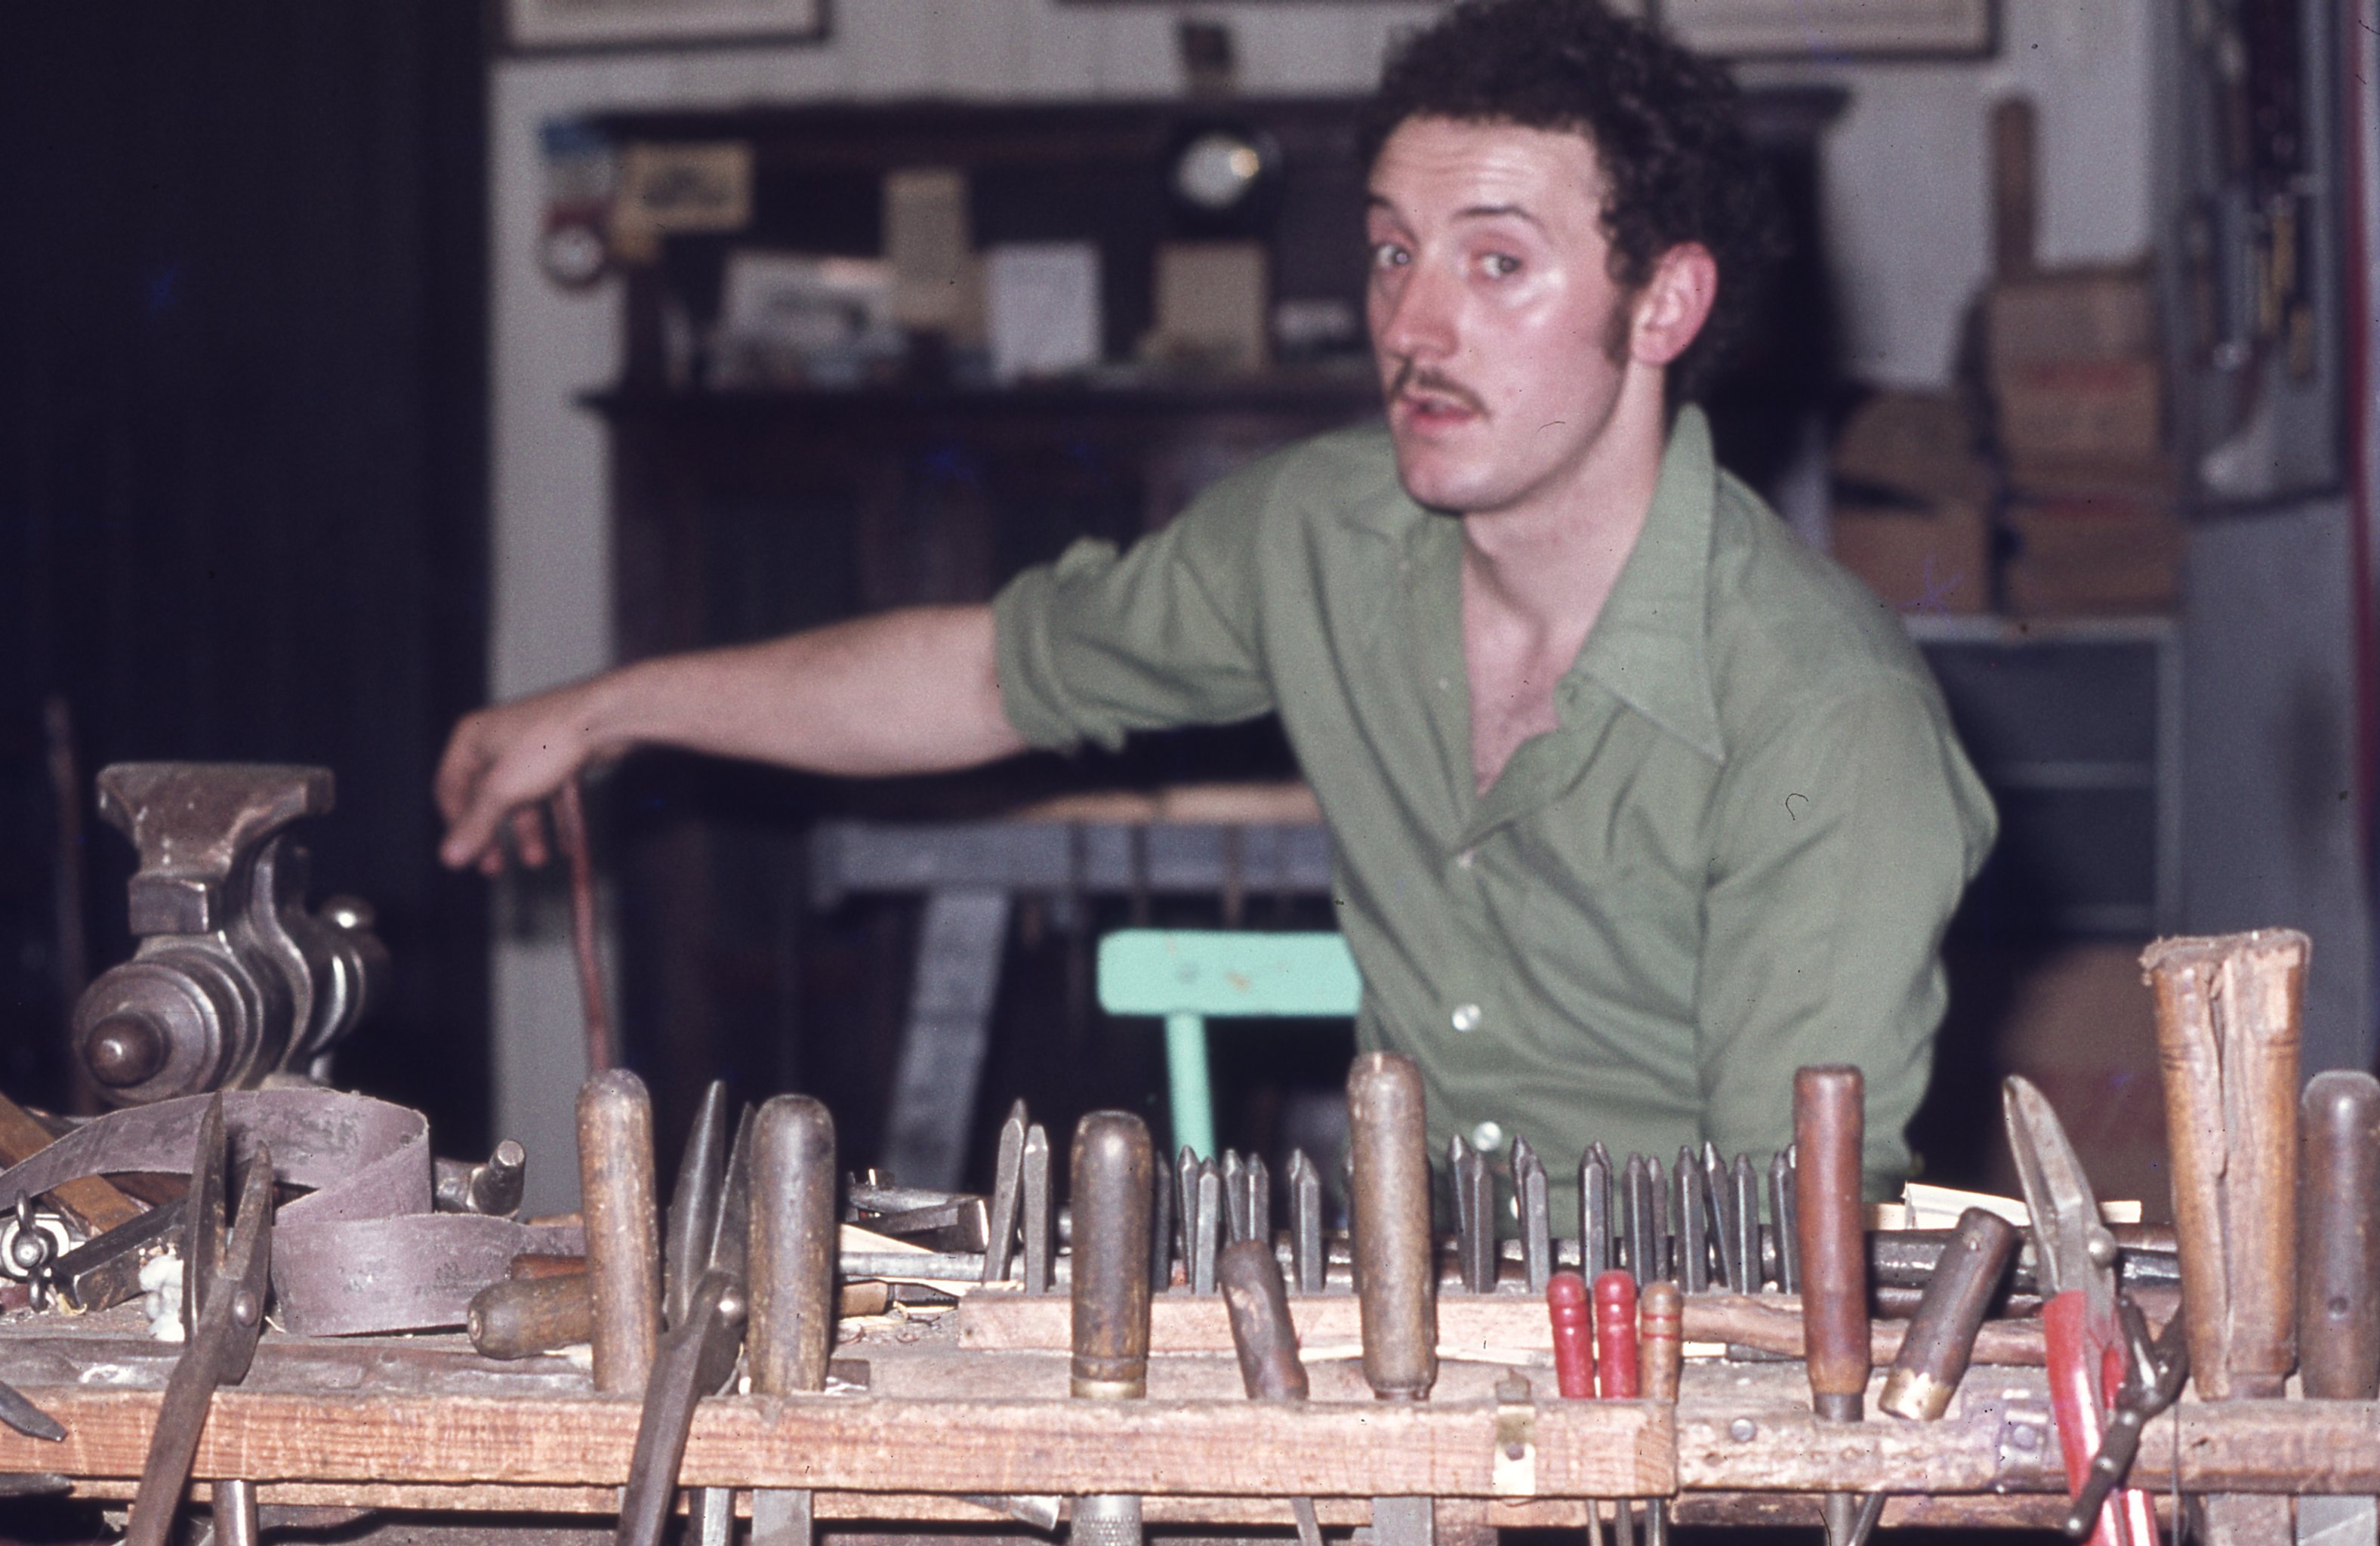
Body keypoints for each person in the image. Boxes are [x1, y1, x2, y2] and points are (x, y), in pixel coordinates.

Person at [438, 0, 1994, 1212]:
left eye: (1497, 264)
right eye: (1392, 251)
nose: (1414, 323)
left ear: (1663, 303)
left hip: (1674, 1372)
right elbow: (983, 675)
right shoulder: (1321, 532)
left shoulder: (1825, 719)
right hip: (1410, 1318)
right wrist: (611, 708)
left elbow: (1788, 1244)